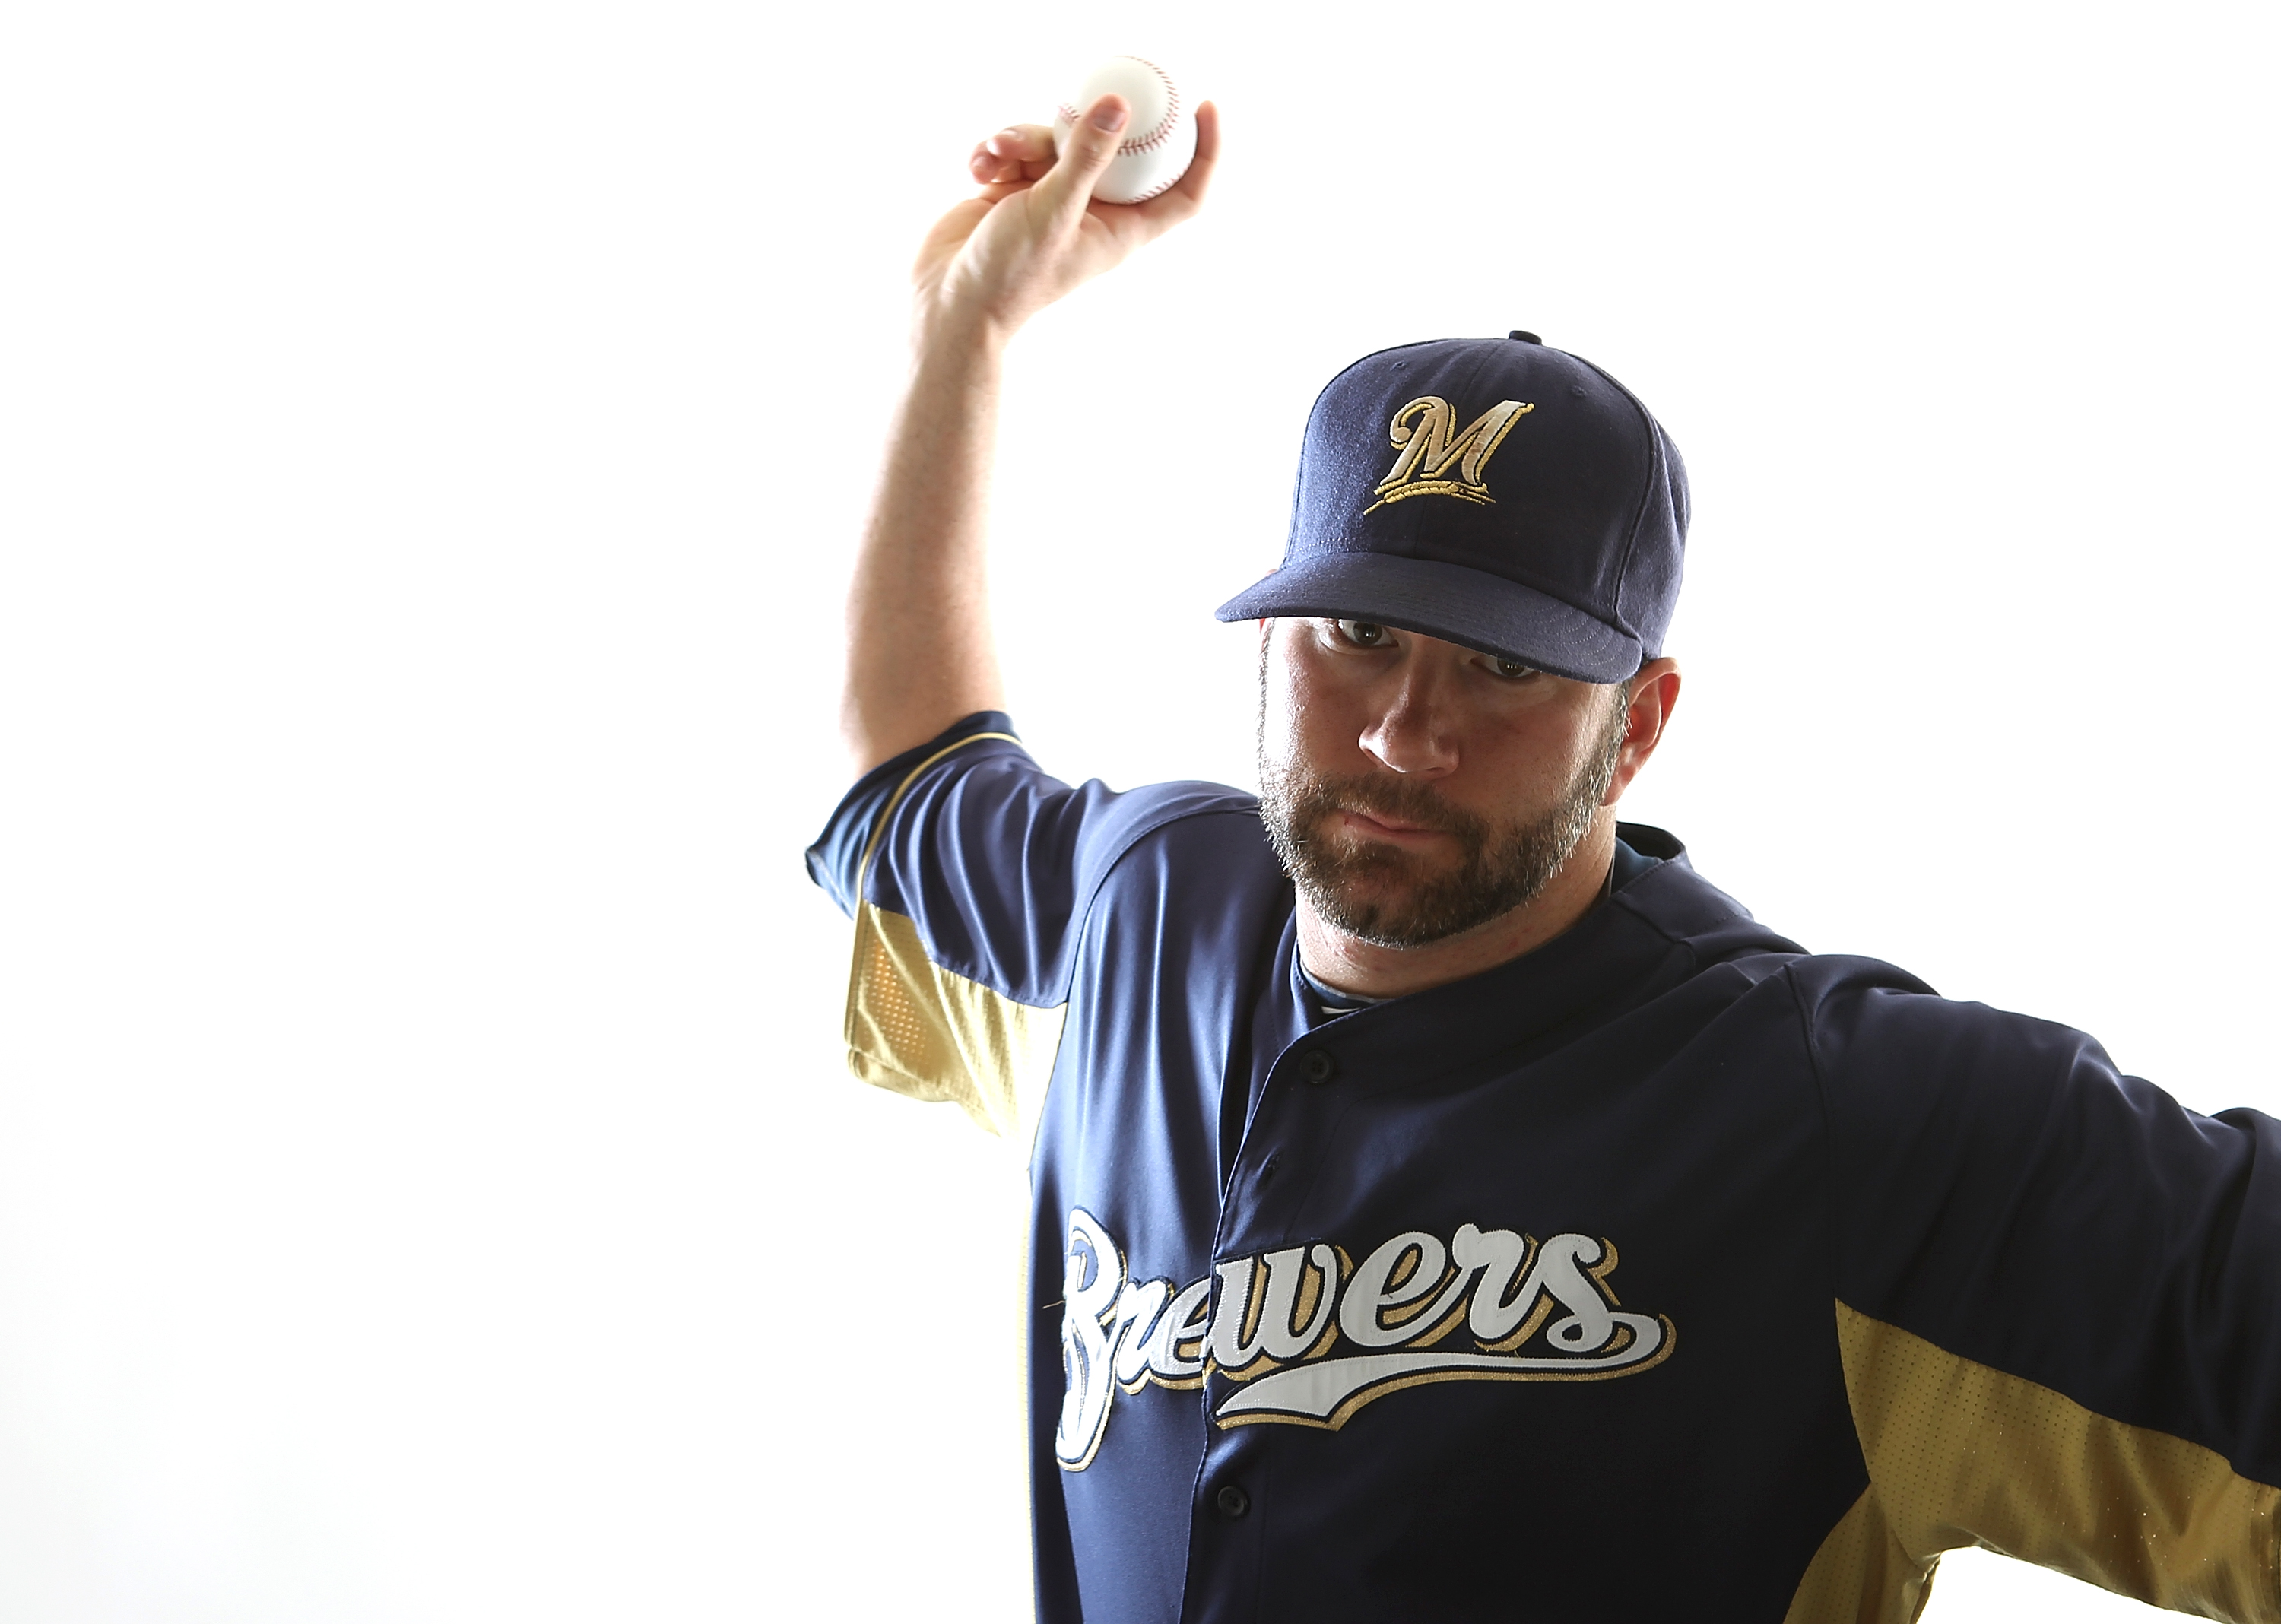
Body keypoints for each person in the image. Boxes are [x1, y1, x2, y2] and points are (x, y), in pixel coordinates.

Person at [807, 93, 2281, 1623]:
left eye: (1503, 671)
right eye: (1359, 637)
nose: (1402, 733)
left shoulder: (1831, 1119)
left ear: (1635, 728)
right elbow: (908, 783)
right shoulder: (1148, 917)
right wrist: (962, 334)